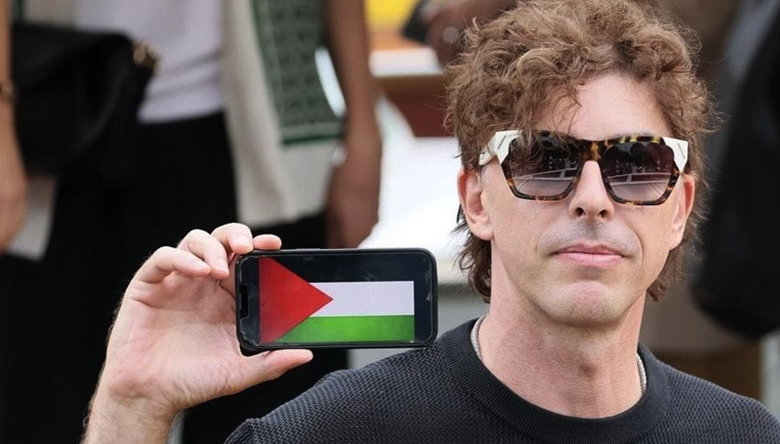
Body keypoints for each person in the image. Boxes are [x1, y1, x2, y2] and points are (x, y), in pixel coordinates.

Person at [82, 1, 780, 443]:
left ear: (679, 205)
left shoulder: (744, 435)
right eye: (545, 160)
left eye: (637, 164)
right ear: (476, 200)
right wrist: (130, 407)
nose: (593, 196)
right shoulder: (328, 434)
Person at [0, 1, 380, 443]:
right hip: (56, 135)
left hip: (266, 141)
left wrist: (364, 130)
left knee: (288, 409)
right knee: (51, 404)